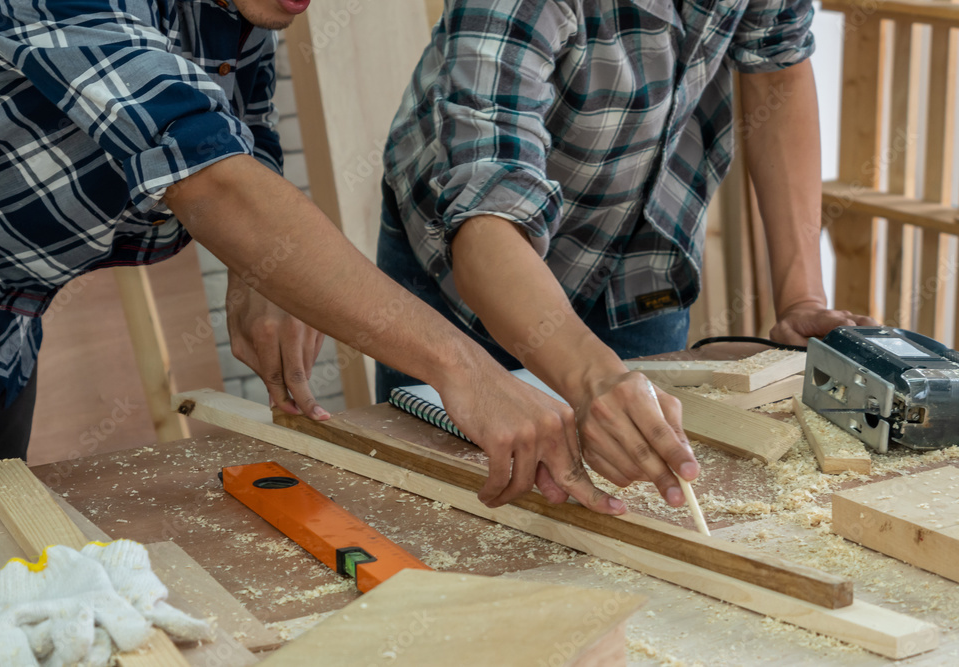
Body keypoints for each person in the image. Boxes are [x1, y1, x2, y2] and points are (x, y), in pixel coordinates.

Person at [0, 0, 665, 516]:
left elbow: (244, 139)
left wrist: (251, 267)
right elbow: (215, 180)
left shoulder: (237, 14)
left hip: (4, 324)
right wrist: (464, 366)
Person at [375, 0, 877, 508]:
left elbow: (778, 71)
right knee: (445, 506)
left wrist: (802, 299)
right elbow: (486, 214)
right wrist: (594, 376)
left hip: (637, 257)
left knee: (643, 491)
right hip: (468, 256)